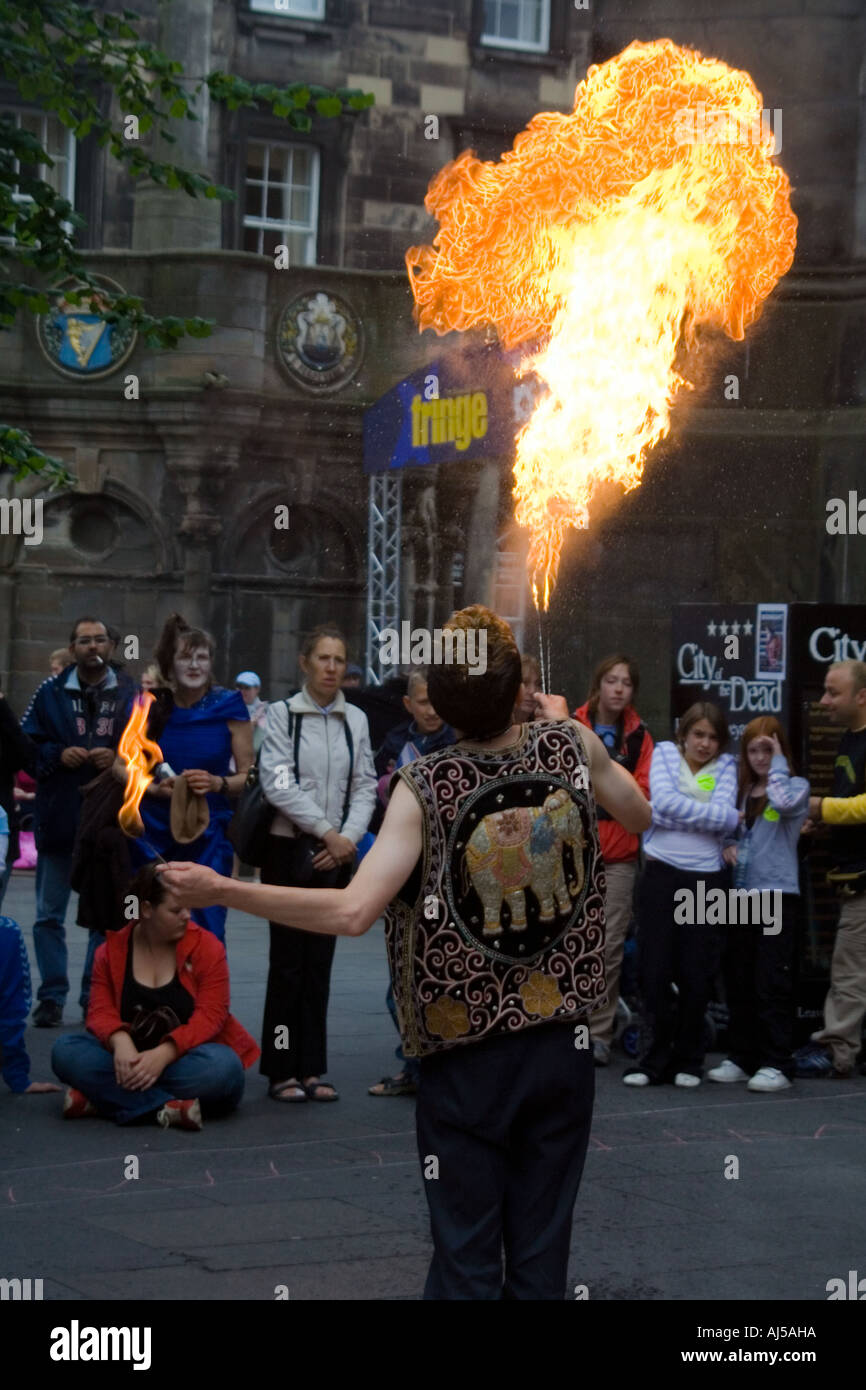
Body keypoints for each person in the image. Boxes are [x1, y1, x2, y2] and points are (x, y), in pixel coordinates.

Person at [161, 605, 651, 1300]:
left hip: (466, 1054)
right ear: (517, 687)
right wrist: (566, 729)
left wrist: (224, 889)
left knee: (466, 1260)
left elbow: (352, 909)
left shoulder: (425, 785)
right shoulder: (570, 743)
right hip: (561, 1048)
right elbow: (638, 815)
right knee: (542, 1262)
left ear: (441, 705)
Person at [257, 624, 376, 1103]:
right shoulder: (282, 715)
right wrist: (326, 829)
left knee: (319, 963)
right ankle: (281, 1069)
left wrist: (346, 838)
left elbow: (365, 784)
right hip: (290, 851)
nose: (331, 667)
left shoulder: (357, 720)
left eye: (339, 659)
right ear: (305, 662)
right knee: (287, 962)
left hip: (334, 854)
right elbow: (277, 783)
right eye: (323, 658)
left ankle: (312, 1068)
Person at [51, 862, 259, 1128]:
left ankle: (103, 1099)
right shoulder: (110, 950)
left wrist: (164, 1054)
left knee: (224, 1069)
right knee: (65, 1050)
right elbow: (99, 1011)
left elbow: (212, 1016)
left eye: (189, 907)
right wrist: (120, 1041)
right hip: (127, 1059)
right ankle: (168, 1108)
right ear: (147, 909)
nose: (187, 916)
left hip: (183, 1062)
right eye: (176, 910)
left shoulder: (207, 947)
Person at [22, 617, 136, 1026]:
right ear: (72, 648)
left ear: (111, 645)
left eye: (99, 640)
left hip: (107, 822)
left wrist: (119, 758)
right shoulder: (50, 692)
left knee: (102, 915)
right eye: (84, 641)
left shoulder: (130, 692)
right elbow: (25, 745)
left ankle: (94, 996)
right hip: (59, 817)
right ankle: (51, 996)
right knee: (48, 914)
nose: (92, 647)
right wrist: (57, 754)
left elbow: (149, 748)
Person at [624, 702, 740, 1089]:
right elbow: (665, 806)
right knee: (653, 970)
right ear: (684, 734)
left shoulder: (724, 767)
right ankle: (651, 1061)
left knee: (697, 973)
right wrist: (693, 813)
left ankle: (689, 1062)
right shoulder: (666, 754)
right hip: (660, 876)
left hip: (706, 880)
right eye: (699, 735)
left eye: (712, 737)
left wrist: (668, 811)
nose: (705, 744)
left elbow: (726, 815)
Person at [126, 614, 253, 945]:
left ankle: (204, 997)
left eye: (202, 657)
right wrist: (152, 787)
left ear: (211, 662)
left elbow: (250, 775)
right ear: (171, 663)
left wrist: (217, 783)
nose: (194, 665)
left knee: (207, 929)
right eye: (185, 656)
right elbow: (120, 766)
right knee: (140, 921)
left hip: (208, 832)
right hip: (150, 833)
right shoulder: (148, 704)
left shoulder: (230, 704)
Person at [707, 718, 809, 1091]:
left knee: (772, 979)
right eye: (754, 750)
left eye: (769, 749)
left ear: (780, 750)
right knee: (740, 979)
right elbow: (726, 833)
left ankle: (777, 1062)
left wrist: (780, 762)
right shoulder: (742, 791)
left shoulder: (794, 787)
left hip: (777, 895)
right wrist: (726, 846)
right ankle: (742, 1055)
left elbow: (782, 804)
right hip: (741, 896)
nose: (761, 757)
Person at [369, 667, 454, 1098]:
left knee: (438, 976)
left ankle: (437, 1069)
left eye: (438, 700)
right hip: (403, 872)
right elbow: (377, 798)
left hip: (445, 874)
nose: (432, 710)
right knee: (399, 982)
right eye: (423, 701)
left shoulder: (456, 742)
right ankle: (414, 1064)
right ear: (408, 704)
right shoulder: (395, 743)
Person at [574, 655, 653, 1066]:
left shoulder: (639, 736)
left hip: (619, 856)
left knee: (607, 947)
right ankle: (566, 1030)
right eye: (611, 680)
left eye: (626, 682)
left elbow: (641, 794)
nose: (619, 689)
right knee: (570, 944)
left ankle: (599, 1033)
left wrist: (603, 786)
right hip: (576, 852)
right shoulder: (572, 724)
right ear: (598, 684)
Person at [795, 660, 866, 1078]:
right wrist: (823, 821)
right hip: (851, 876)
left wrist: (821, 807)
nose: (823, 701)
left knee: (848, 971)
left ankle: (836, 1050)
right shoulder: (849, 739)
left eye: (832, 692)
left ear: (862, 696)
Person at [234, 671, 269, 753]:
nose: (242, 691)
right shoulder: (227, 709)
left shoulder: (266, 711)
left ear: (257, 689)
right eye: (239, 687)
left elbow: (256, 746)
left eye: (247, 687)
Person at [512, 653, 541, 723]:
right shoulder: (492, 730)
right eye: (525, 683)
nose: (533, 691)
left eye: (538, 684)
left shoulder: (544, 728)